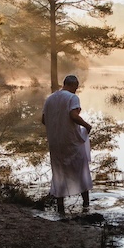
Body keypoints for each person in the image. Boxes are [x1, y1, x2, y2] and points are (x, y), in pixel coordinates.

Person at [41, 74, 92, 215]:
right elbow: (73, 115)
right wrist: (87, 126)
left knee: (59, 172)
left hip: (55, 143)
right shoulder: (72, 97)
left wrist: (56, 128)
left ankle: (60, 208)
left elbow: (44, 120)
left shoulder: (50, 98)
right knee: (81, 170)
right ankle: (86, 206)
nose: (76, 90)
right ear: (71, 85)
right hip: (71, 142)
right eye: (76, 87)